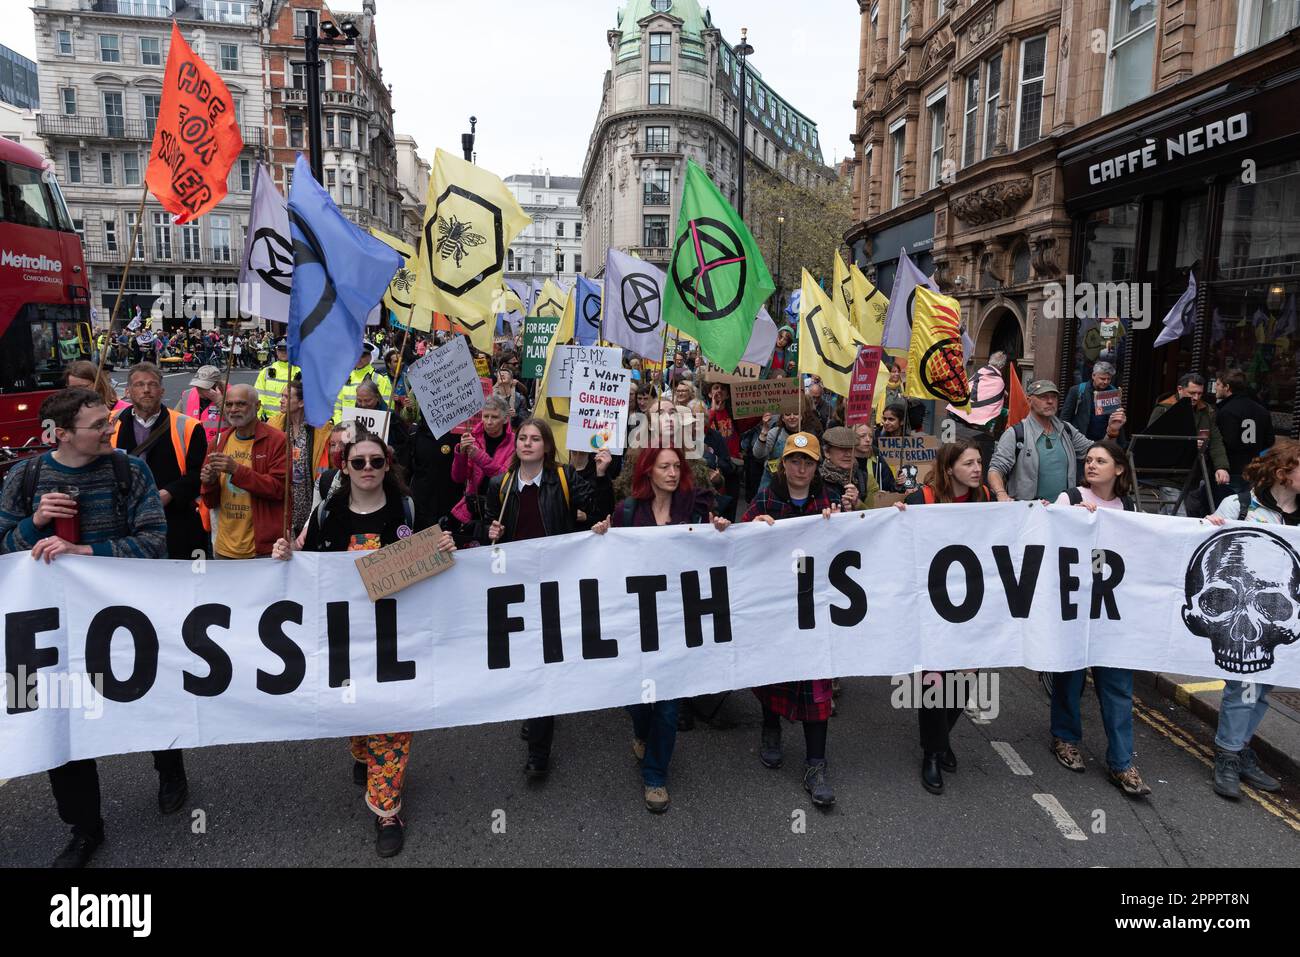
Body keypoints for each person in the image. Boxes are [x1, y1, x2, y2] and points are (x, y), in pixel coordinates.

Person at [0, 388, 177, 868]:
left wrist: (88, 554)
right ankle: (84, 828)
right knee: (65, 723)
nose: (109, 431)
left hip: (126, 620)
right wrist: (35, 524)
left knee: (150, 704)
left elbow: (154, 542)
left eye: (107, 421)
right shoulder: (26, 476)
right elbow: (4, 550)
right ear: (60, 433)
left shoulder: (129, 470)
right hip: (54, 628)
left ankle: (170, 769)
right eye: (97, 425)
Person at [272, 431, 456, 857]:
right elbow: (302, 564)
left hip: (396, 644)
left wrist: (447, 545)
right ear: (345, 468)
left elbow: (436, 560)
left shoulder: (407, 510)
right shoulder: (327, 514)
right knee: (357, 716)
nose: (368, 469)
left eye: (376, 461)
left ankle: (387, 809)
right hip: (345, 646)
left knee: (391, 722)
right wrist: (285, 554)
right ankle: (362, 751)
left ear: (387, 465)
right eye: (359, 462)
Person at [591, 445, 729, 813]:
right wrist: (602, 534)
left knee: (668, 707)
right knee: (635, 700)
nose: (672, 472)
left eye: (676, 466)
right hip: (636, 621)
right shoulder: (627, 512)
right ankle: (640, 730)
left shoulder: (695, 510)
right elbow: (609, 559)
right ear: (647, 471)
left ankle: (655, 776)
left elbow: (713, 552)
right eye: (663, 466)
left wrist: (719, 530)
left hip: (676, 620)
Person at [486, 419, 614, 778]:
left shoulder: (564, 478)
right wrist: (488, 531)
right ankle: (536, 712)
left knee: (547, 658)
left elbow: (601, 508)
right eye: (522, 438)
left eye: (535, 438)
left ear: (546, 445)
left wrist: (601, 476)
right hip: (517, 587)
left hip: (555, 583)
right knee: (529, 657)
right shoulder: (501, 484)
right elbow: (484, 531)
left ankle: (539, 751)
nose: (527, 444)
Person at [1045, 439, 1151, 796]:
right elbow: (1049, 540)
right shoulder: (1070, 499)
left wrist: (1209, 525)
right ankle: (1065, 738)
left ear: (1118, 469)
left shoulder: (1130, 507)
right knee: (1069, 679)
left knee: (1118, 688)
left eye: (1101, 461)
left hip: (1112, 614)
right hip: (1075, 608)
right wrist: (1066, 518)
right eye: (1088, 460)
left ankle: (1122, 762)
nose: (1091, 465)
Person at [742, 432, 839, 807]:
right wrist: (756, 528)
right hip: (776, 607)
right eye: (794, 461)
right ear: (783, 464)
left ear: (817, 467)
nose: (801, 468)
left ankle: (816, 764)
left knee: (817, 683)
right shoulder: (767, 498)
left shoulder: (827, 500)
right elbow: (738, 544)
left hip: (816, 609)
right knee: (774, 673)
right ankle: (770, 726)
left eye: (808, 462)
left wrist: (843, 519)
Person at [893, 438, 993, 794]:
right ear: (949, 469)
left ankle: (941, 739)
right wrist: (897, 516)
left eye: (979, 462)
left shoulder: (987, 498)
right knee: (934, 679)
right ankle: (932, 753)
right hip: (932, 605)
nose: (977, 469)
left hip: (972, 607)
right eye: (968, 464)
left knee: (965, 677)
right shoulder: (923, 499)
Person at [1203, 439, 1296, 800]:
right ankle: (1228, 754)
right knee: (1243, 686)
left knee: (1264, 687)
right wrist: (1207, 527)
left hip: (1284, 617)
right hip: (1241, 612)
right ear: (1282, 472)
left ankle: (1239, 749)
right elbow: (1208, 553)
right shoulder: (1240, 506)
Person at [110, 362, 209, 560]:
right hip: (125, 521)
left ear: (162, 390)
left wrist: (169, 493)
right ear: (128, 391)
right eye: (139, 385)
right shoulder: (109, 422)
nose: (146, 390)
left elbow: (199, 474)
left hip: (175, 521)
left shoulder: (189, 426)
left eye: (152, 384)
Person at [989, 380, 1123, 503]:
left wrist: (1111, 432)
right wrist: (1002, 495)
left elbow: (1097, 452)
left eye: (1053, 397)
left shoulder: (1066, 430)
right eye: (1043, 397)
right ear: (1029, 401)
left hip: (1064, 511)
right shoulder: (1016, 434)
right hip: (1030, 512)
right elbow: (995, 469)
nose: (1050, 401)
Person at [200, 383, 288, 560]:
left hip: (261, 551)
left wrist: (236, 470)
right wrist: (208, 482)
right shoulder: (219, 442)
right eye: (229, 404)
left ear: (257, 406)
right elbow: (210, 501)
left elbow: (279, 489)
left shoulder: (277, 440)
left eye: (241, 404)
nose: (233, 409)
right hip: (223, 548)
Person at [1146, 372, 1230, 506]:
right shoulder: (1164, 409)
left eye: (1200, 393)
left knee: (1174, 514)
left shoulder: (1207, 411)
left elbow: (1215, 441)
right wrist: (1187, 444)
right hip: (1169, 473)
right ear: (1180, 389)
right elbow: (1152, 441)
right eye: (1192, 393)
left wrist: (1221, 467)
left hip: (1195, 473)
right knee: (1178, 516)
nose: (1196, 397)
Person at [268, 379, 332, 539]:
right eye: (281, 396)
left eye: (286, 397)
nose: (281, 400)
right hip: (281, 504)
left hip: (310, 502)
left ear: (302, 402)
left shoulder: (321, 430)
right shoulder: (274, 425)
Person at [449, 396, 515, 543]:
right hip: (473, 509)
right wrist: (460, 453)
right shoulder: (473, 438)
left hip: (500, 511)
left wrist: (479, 457)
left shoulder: (514, 443)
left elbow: (505, 478)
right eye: (486, 416)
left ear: (505, 419)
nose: (489, 422)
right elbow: (458, 478)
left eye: (495, 417)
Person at [1213, 369, 1275, 497]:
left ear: (1227, 387)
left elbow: (1225, 442)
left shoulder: (1226, 411)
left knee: (1227, 505)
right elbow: (1269, 440)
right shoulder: (1261, 410)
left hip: (1230, 468)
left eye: (1218, 384)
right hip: (1252, 466)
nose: (1215, 388)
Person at [946, 351, 1009, 475]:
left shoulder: (978, 374)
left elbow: (981, 400)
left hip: (950, 417)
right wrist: (1006, 411)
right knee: (974, 461)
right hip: (972, 430)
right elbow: (989, 407)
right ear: (1002, 366)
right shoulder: (997, 381)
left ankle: (947, 478)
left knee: (948, 455)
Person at [753, 396, 822, 492]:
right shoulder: (775, 433)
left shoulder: (809, 437)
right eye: (788, 414)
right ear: (783, 418)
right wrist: (764, 431)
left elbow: (818, 460)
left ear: (802, 417)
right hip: (772, 480)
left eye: (796, 414)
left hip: (798, 482)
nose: (792, 417)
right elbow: (758, 454)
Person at [1061, 361, 1120, 442]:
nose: (1106, 382)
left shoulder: (1112, 392)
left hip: (1104, 441)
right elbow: (1065, 417)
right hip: (1080, 440)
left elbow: (1116, 419)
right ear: (1093, 375)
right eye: (1102, 378)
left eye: (1108, 379)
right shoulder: (1077, 390)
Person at [334, 346, 392, 420]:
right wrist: (339, 424)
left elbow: (387, 407)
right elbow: (337, 406)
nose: (359, 359)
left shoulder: (380, 378)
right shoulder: (345, 377)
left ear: (370, 357)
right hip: (346, 427)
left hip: (371, 427)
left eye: (363, 356)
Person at [252, 339, 300, 421]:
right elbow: (258, 395)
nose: (283, 353)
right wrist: (257, 418)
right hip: (269, 420)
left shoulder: (299, 372)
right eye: (281, 350)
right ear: (276, 351)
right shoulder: (266, 371)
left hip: (291, 420)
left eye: (286, 350)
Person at [63, 360, 129, 419]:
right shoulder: (67, 411)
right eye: (72, 388)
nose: (77, 392)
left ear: (98, 384)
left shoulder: (124, 410)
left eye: (82, 387)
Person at [852, 423, 897, 508]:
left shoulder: (877, 458)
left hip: (877, 509)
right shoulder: (845, 461)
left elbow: (890, 486)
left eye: (871, 436)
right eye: (862, 436)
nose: (868, 440)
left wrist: (899, 485)